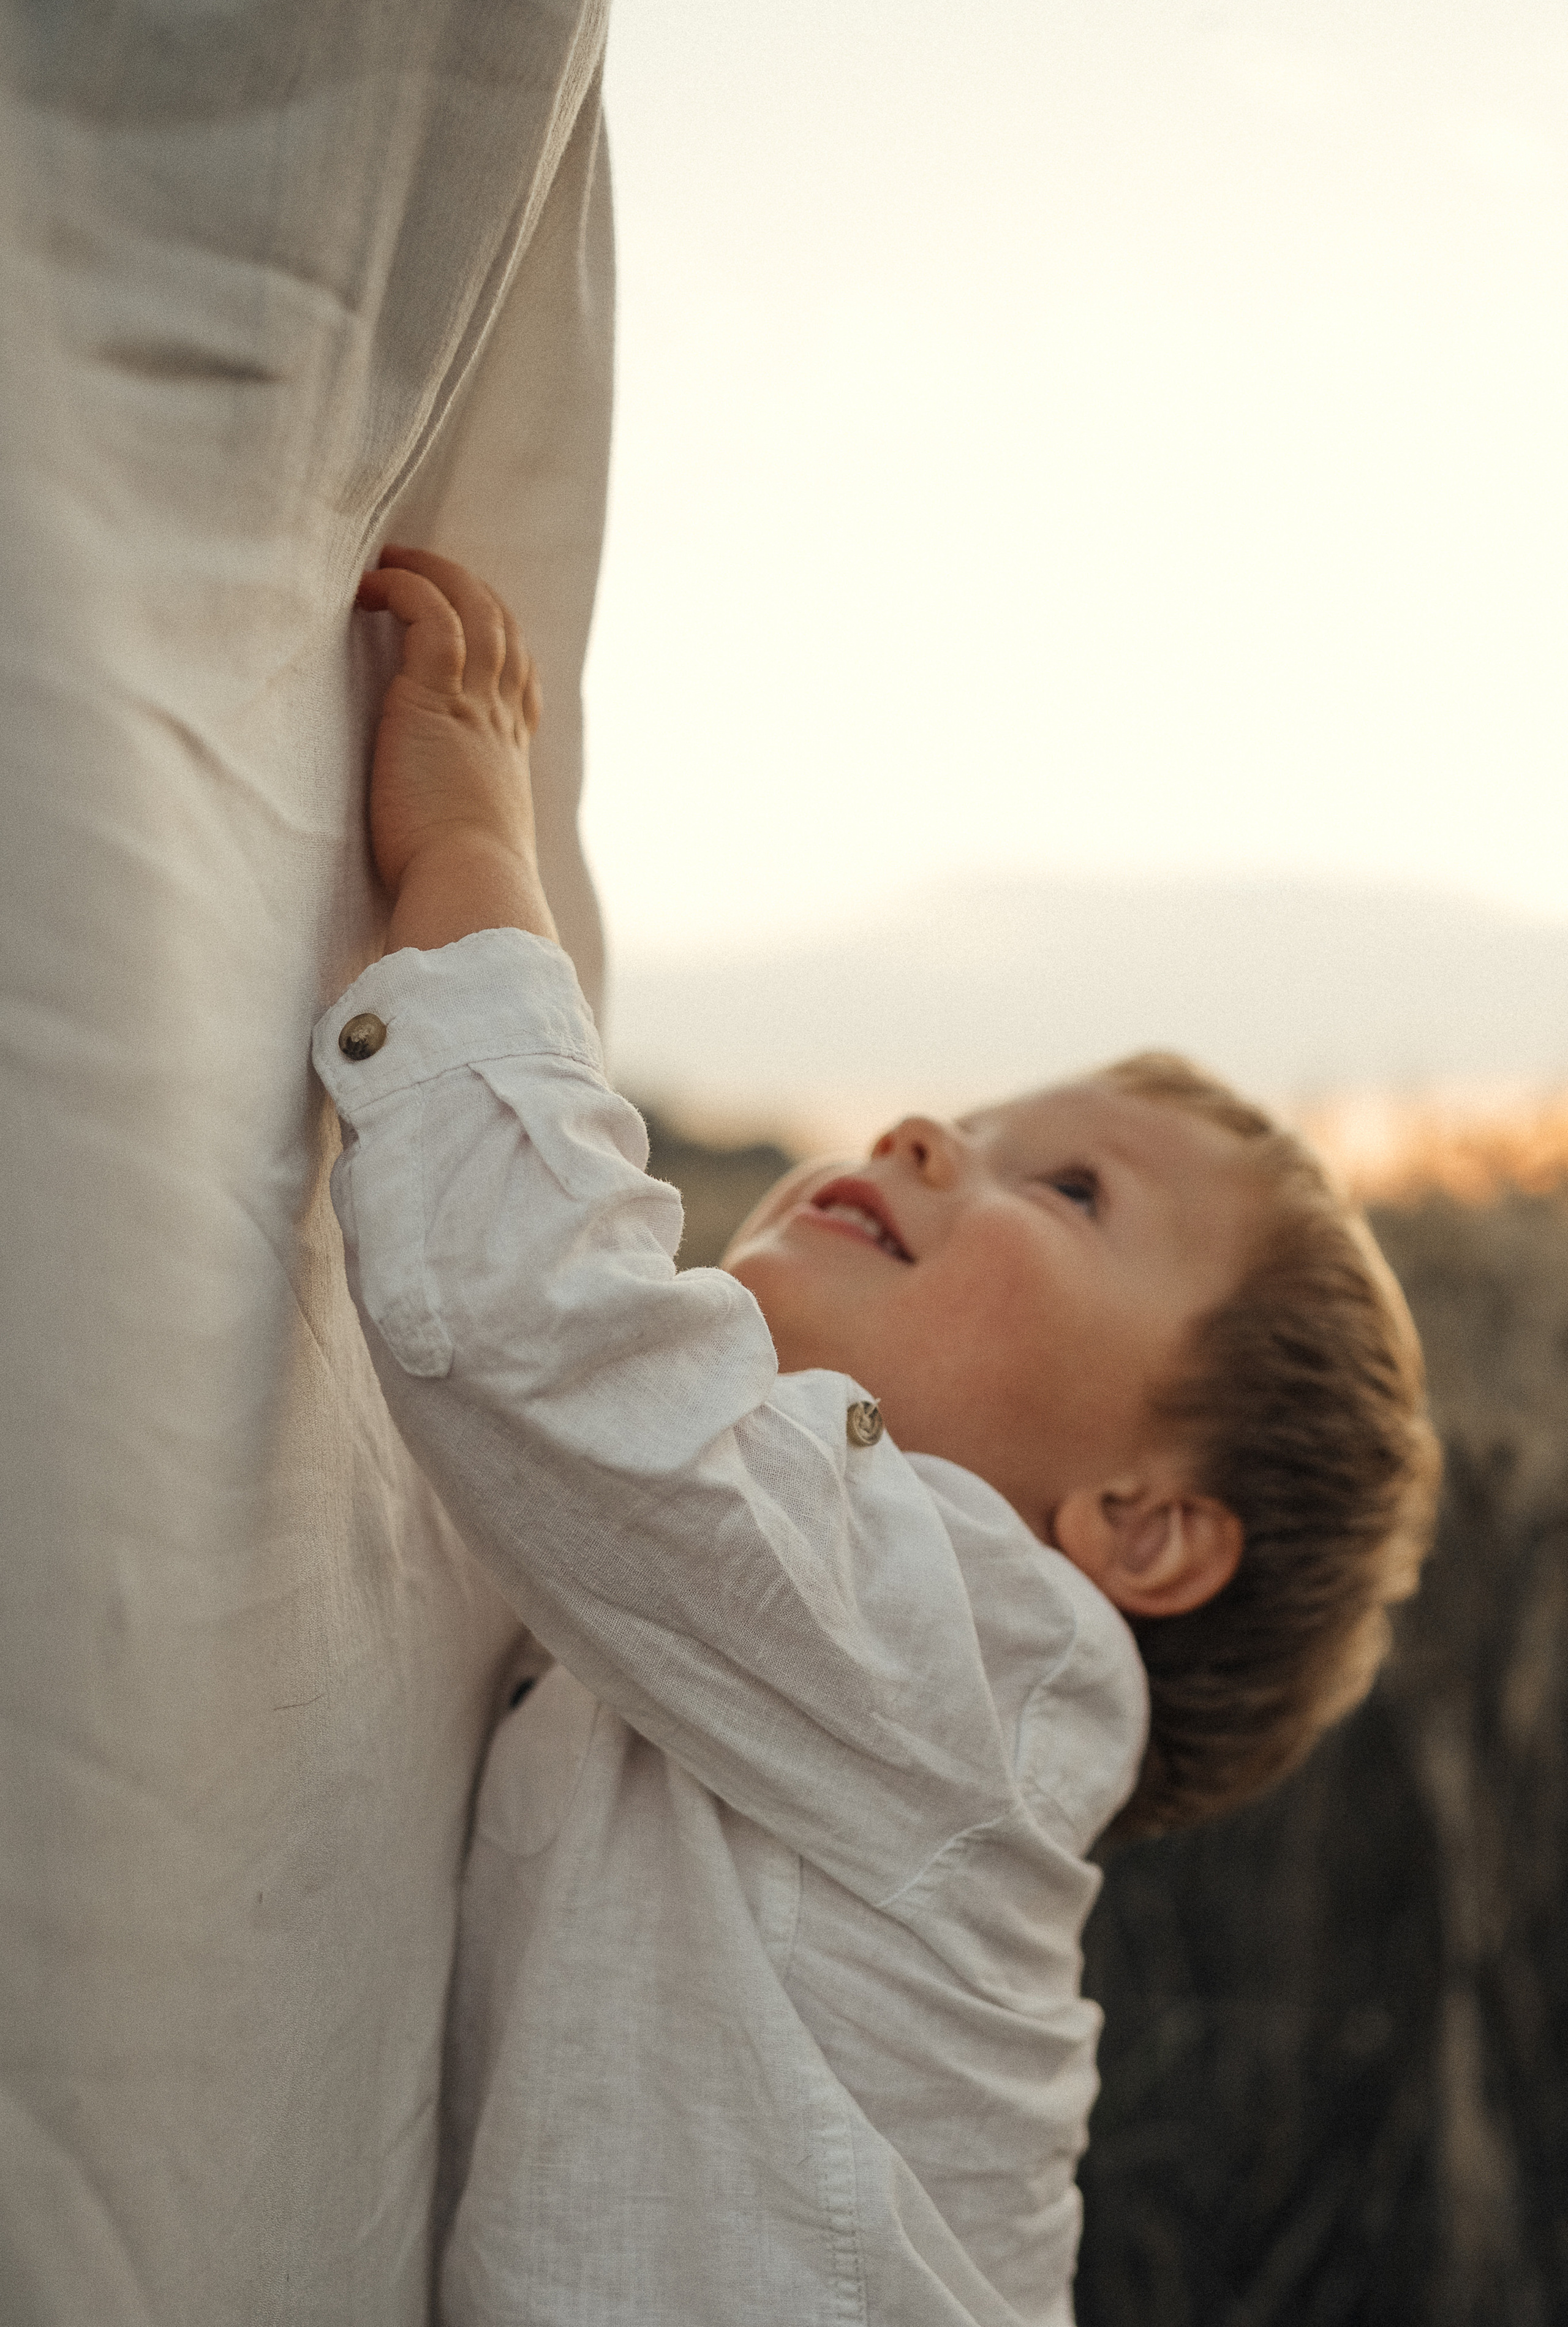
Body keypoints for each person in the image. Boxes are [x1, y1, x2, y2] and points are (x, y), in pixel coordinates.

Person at [312, 548, 1439, 2325]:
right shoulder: (782, 1617)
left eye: (1061, 1187)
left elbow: (550, 1339)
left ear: (1139, 1528)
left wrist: (471, 867)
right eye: (974, 1120)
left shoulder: (997, 1664)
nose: (926, 1134)